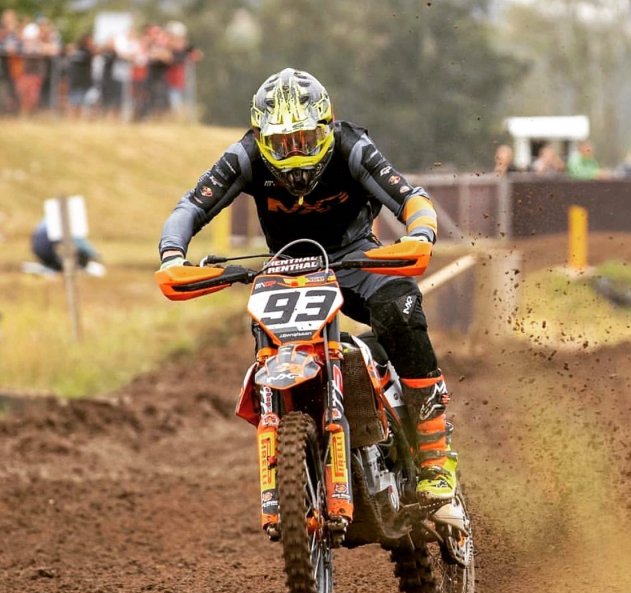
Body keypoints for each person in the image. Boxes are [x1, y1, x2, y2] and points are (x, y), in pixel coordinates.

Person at [158, 67, 462, 530]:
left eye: (303, 140)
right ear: (261, 139)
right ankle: (300, 446)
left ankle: (436, 459)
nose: (295, 155)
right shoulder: (244, 157)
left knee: (399, 309)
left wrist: (420, 233)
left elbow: (410, 196)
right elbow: (191, 206)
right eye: (282, 145)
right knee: (268, 345)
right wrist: (171, 256)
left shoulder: (351, 146)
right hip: (286, 269)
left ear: (326, 126)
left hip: (356, 261)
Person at [27, 218, 105, 276]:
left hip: (37, 247)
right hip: (46, 248)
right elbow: (80, 242)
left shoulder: (53, 216)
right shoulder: (67, 221)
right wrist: (93, 254)